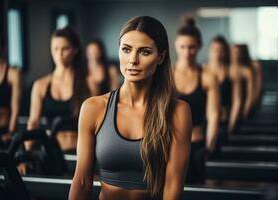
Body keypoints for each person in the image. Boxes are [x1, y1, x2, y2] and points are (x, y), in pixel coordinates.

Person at [69, 16, 192, 200]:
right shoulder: (93, 108)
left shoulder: (178, 112)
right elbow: (81, 182)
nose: (132, 60)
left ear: (161, 57)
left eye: (144, 52)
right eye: (126, 50)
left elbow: (173, 188)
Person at [26, 26, 90, 152]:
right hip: (53, 152)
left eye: (65, 48)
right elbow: (33, 122)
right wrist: (25, 154)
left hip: (81, 151)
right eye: (55, 49)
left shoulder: (87, 82)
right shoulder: (40, 85)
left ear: (75, 50)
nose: (59, 54)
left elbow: (96, 125)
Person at [173, 16, 220, 184]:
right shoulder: (166, 76)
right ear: (175, 46)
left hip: (198, 145)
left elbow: (214, 115)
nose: (186, 52)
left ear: (199, 46)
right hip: (170, 145)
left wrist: (210, 146)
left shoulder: (207, 76)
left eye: (191, 47)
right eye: (182, 47)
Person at [204, 35, 242, 135]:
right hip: (204, 122)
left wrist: (231, 125)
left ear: (225, 52)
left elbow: (237, 101)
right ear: (209, 50)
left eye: (220, 50)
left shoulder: (231, 72)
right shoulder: (202, 71)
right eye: (214, 49)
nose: (217, 53)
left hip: (224, 121)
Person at [0, 35, 21, 147]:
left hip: (5, 132)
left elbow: (15, 107)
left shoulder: (13, 73)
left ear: (2, 47)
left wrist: (10, 132)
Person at [230, 44, 255, 119]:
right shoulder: (226, 69)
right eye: (233, 52)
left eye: (237, 52)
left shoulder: (247, 71)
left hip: (241, 105)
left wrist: (246, 109)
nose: (235, 55)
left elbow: (250, 93)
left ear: (241, 54)